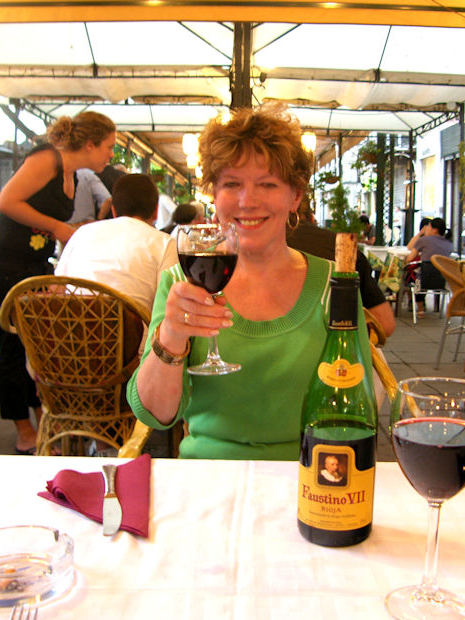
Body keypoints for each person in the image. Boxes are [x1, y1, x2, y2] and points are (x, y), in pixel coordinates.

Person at [126, 104, 374, 460]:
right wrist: (172, 337)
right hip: (210, 475)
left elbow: (355, 407)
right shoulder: (183, 285)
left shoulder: (335, 287)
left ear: (295, 197)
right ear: (214, 195)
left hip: (309, 472)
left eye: (267, 184)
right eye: (232, 184)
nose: (247, 201)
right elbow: (155, 414)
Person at [0, 111, 117, 455]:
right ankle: (23, 429)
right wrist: (58, 228)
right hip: (8, 262)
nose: (111, 154)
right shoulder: (48, 159)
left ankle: (43, 417)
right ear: (90, 144)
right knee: (15, 345)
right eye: (109, 146)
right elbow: (5, 202)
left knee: (38, 345)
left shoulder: (71, 174)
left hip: (35, 263)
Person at [55, 173, 178, 315]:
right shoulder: (165, 243)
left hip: (73, 327)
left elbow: (56, 289)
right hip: (134, 329)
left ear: (113, 210)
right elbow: (171, 304)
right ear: (156, 211)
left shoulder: (81, 233)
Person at [287, 199, 394, 337]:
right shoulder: (344, 248)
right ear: (312, 217)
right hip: (340, 346)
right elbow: (385, 325)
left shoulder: (262, 250)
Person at [406, 217, 453, 318]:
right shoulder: (449, 244)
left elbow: (409, 258)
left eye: (429, 227)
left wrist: (420, 234)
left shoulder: (423, 240)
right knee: (423, 274)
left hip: (424, 279)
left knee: (413, 276)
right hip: (442, 280)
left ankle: (420, 309)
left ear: (434, 230)